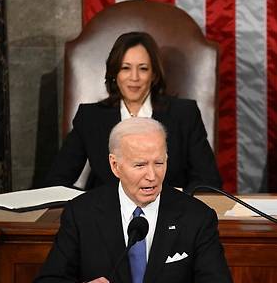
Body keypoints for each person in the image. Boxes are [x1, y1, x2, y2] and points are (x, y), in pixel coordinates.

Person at [31, 117, 238, 283]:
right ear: (115, 165)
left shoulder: (196, 216)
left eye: (159, 163)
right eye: (140, 165)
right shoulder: (82, 213)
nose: (152, 176)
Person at [45, 31, 222, 192]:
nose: (134, 77)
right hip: (105, 218)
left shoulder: (184, 114)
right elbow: (56, 182)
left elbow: (208, 182)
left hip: (168, 216)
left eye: (143, 68)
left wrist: (174, 201)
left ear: (154, 75)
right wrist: (91, 206)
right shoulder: (90, 117)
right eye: (125, 68)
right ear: (115, 74)